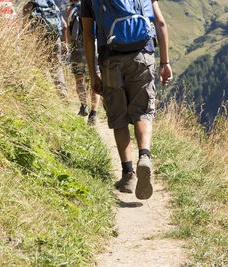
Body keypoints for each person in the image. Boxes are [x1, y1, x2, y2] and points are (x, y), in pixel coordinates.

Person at [81, 0, 173, 199]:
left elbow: (88, 37)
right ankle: (145, 157)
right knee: (143, 111)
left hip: (110, 59)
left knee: (119, 115)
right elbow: (160, 23)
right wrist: (165, 62)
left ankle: (128, 174)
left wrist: (92, 73)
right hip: (142, 54)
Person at [23, 0, 69, 98]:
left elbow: (25, 29)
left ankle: (42, 95)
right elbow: (64, 26)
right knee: (57, 67)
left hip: (39, 38)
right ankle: (63, 95)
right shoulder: (52, 5)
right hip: (55, 38)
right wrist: (65, 44)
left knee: (40, 67)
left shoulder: (28, 6)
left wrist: (26, 44)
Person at [66, 0, 100, 123]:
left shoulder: (69, 9)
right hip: (94, 45)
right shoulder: (93, 6)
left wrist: (71, 45)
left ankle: (83, 105)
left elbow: (68, 30)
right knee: (96, 78)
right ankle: (93, 114)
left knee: (79, 79)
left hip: (77, 46)